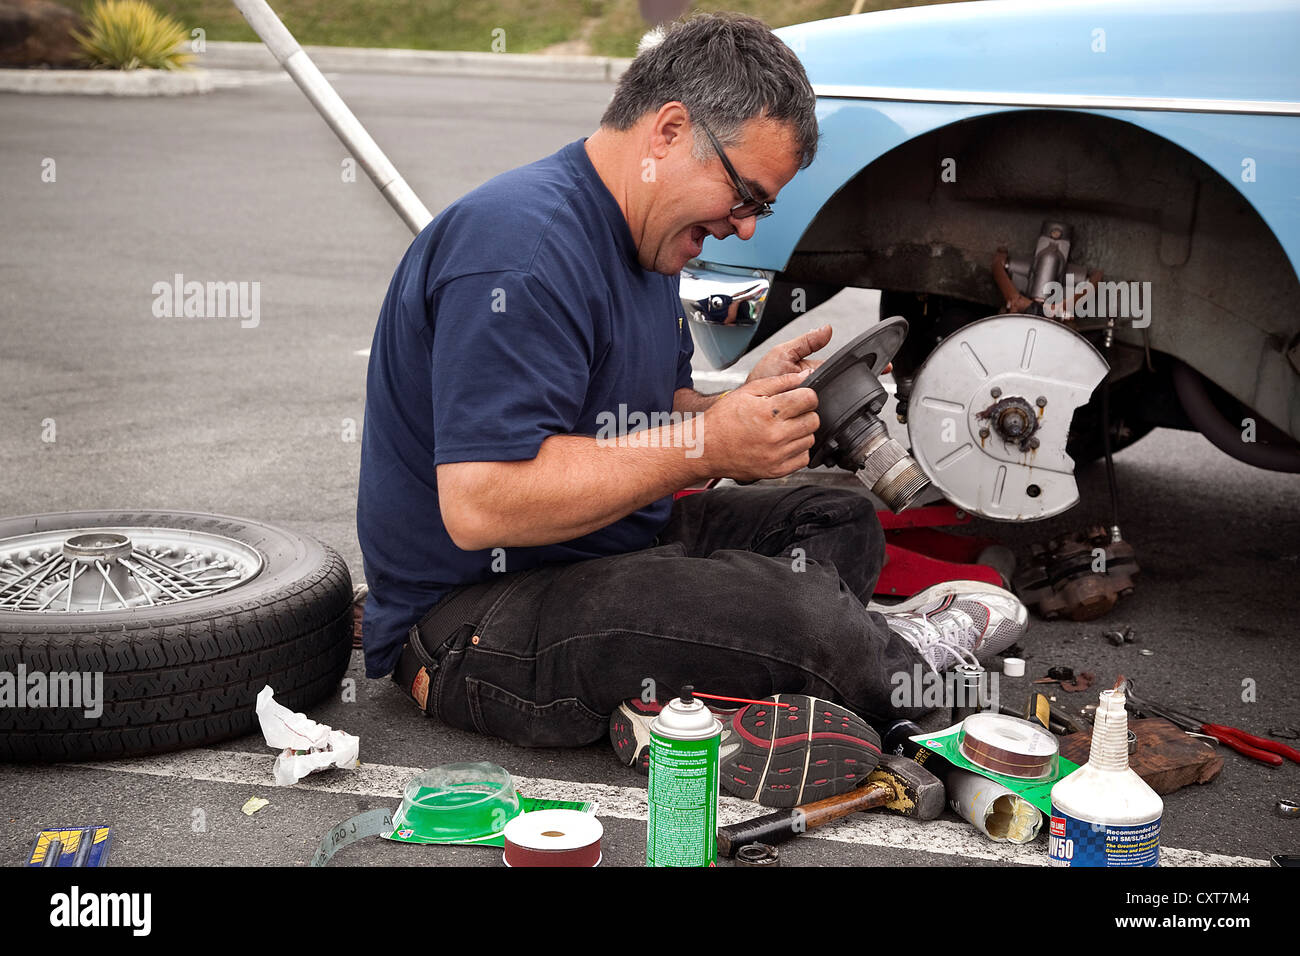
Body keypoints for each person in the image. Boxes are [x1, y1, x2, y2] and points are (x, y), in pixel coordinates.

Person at [357, 13, 1027, 808]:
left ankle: (693, 698)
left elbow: (648, 411)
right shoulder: (522, 251)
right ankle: (882, 661)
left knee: (836, 518)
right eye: (743, 195)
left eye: (760, 211)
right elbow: (481, 502)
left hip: (598, 552)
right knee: (792, 613)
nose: (742, 226)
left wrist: (743, 409)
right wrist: (709, 443)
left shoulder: (645, 240)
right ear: (670, 131)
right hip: (474, 624)